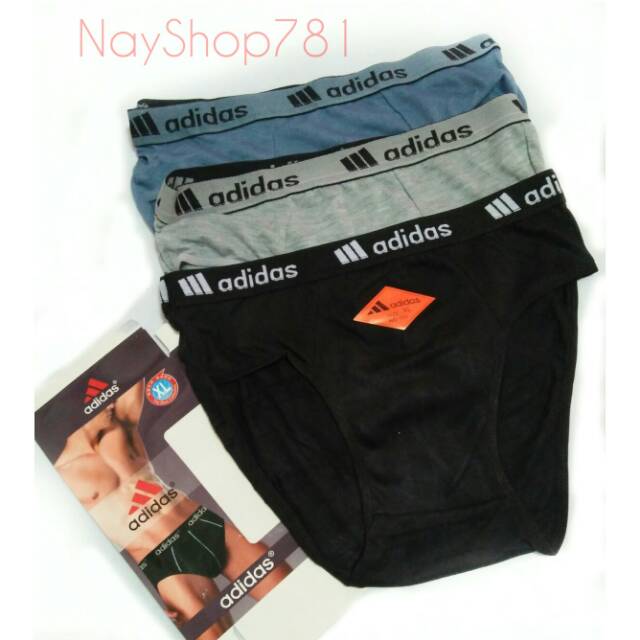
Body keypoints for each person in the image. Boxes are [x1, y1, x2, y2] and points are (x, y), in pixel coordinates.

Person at [55, 379, 290, 640]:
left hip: (203, 525)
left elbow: (134, 375)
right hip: (166, 566)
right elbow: (76, 562)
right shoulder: (60, 479)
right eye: (100, 401)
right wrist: (136, 608)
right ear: (77, 411)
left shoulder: (120, 429)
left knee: (292, 592)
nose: (110, 404)